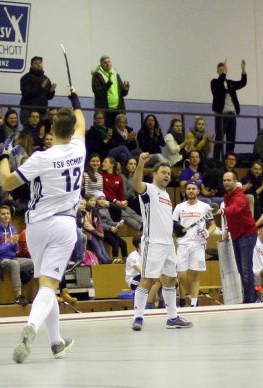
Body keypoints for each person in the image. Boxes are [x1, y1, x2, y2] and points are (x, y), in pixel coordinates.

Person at [0, 88, 85, 363]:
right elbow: (82, 121)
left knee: (46, 284)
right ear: (72, 131)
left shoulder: (41, 158)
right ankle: (31, 328)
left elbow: (6, 182)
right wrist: (75, 98)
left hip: (35, 226)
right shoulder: (80, 148)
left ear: (51, 129)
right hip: (64, 225)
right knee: (49, 285)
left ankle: (57, 342)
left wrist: (2, 156)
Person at [131, 152, 193, 331]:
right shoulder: (148, 189)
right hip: (153, 243)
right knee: (147, 280)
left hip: (168, 244)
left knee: (171, 280)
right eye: (163, 172)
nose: (167, 175)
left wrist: (176, 228)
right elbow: (136, 183)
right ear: (154, 174)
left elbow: (164, 218)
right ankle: (138, 318)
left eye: (168, 173)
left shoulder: (166, 195)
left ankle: (172, 318)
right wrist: (141, 164)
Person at [172, 181, 215, 307]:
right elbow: (173, 224)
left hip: (198, 244)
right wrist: (177, 229)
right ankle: (192, 296)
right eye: (189, 188)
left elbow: (212, 225)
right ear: (185, 191)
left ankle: (194, 303)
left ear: (198, 191)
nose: (191, 190)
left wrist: (208, 232)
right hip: (183, 244)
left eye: (193, 188)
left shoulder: (205, 207)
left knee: (195, 274)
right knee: (181, 275)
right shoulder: (179, 207)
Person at [218, 171, 258, 303]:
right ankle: (250, 297)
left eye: (229, 180)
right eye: (224, 180)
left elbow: (234, 209)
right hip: (236, 234)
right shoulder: (226, 196)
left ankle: (250, 300)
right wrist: (227, 229)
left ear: (235, 181)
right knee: (241, 269)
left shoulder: (240, 197)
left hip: (247, 234)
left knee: (246, 270)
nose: (226, 182)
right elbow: (232, 216)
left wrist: (222, 211)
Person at [0, 205, 33, 305]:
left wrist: (15, 244)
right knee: (14, 264)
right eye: (3, 214)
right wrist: (10, 244)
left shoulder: (13, 229)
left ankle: (41, 292)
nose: (6, 216)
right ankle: (18, 296)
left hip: (12, 257)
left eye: (8, 213)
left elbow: (15, 250)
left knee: (35, 262)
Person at [211, 59, 247, 158]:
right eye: (221, 70)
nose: (223, 72)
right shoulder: (214, 82)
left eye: (224, 69)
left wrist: (243, 70)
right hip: (221, 115)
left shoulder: (230, 83)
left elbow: (242, 83)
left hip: (232, 114)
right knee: (219, 139)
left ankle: (229, 159)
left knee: (231, 139)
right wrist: (223, 74)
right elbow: (218, 87)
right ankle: (216, 160)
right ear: (217, 71)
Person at [91, 55, 130, 127]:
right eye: (105, 62)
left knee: (118, 131)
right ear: (101, 64)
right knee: (106, 130)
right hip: (105, 110)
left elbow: (122, 94)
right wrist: (108, 84)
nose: (107, 64)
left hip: (118, 109)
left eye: (109, 62)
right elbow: (97, 91)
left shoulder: (115, 74)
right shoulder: (97, 75)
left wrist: (125, 90)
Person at [19, 56, 56, 126]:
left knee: (42, 133)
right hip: (28, 111)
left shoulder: (46, 79)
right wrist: (41, 87)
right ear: (32, 65)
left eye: (40, 63)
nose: (39, 65)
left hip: (42, 112)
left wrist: (51, 92)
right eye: (36, 63)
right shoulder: (26, 78)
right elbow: (26, 94)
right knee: (28, 134)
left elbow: (48, 97)